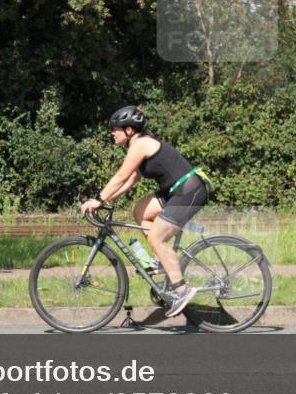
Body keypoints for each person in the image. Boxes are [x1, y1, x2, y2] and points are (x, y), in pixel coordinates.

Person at [79, 105, 210, 318]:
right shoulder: (139, 146)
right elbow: (130, 181)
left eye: (115, 129)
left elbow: (120, 176)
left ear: (129, 130)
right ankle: (161, 260)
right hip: (175, 191)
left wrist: (98, 199)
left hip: (190, 191)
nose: (112, 133)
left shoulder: (140, 144)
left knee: (157, 239)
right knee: (139, 210)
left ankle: (182, 290)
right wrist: (106, 201)